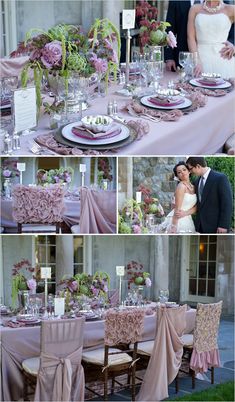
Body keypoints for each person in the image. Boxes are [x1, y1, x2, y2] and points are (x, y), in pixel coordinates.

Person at [164, 0, 234, 72]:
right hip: (185, 58)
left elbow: (231, 28)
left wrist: (233, 44)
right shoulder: (185, 5)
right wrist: (169, 57)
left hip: (222, 56)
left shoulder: (228, 5)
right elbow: (169, 29)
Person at [187, 0, 235, 78]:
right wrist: (196, 61)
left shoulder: (231, 9)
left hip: (223, 58)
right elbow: (190, 37)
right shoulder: (194, 9)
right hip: (200, 59)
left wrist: (234, 47)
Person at [185, 157, 233, 233]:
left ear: (198, 166)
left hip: (216, 226)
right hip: (199, 226)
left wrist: (223, 225)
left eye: (190, 169)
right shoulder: (196, 182)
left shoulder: (220, 178)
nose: (190, 172)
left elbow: (227, 203)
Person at [160, 162, 197, 233]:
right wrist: (174, 226)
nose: (183, 172)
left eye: (184, 170)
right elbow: (177, 210)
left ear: (189, 171)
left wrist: (186, 213)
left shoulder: (194, 187)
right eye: (179, 172)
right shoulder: (181, 187)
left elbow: (197, 207)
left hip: (188, 218)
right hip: (179, 220)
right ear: (178, 176)